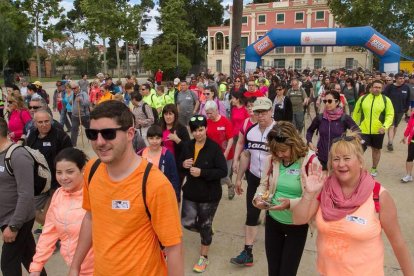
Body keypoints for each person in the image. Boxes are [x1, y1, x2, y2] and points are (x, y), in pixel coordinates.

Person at [68, 100, 183, 276]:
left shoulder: (155, 184)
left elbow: (173, 248)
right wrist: (76, 265)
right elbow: (90, 218)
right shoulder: (92, 169)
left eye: (108, 134)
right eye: (92, 134)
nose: (99, 142)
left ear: (130, 133)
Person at [292, 132, 414, 276]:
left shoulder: (378, 196)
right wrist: (308, 193)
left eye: (347, 158)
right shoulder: (324, 189)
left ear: (360, 161)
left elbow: (398, 243)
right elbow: (298, 219)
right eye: (336, 159)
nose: (341, 164)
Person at [252, 121, 320, 276]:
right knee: (273, 270)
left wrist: (291, 204)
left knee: (287, 272)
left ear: (293, 144)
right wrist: (258, 199)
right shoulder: (272, 159)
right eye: (276, 151)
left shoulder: (310, 161)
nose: (280, 155)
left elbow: (316, 196)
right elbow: (264, 184)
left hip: (296, 224)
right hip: (273, 221)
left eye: (283, 150)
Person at [29, 148, 94, 276]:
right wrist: (36, 266)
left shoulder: (95, 194)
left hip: (99, 269)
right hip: (73, 269)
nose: (63, 177)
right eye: (59, 172)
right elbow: (49, 232)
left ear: (82, 170)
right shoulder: (58, 195)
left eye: (70, 172)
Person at [180, 115, 227, 273]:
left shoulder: (214, 148)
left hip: (209, 195)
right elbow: (181, 167)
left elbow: (222, 171)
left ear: (206, 129)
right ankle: (206, 226)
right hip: (191, 192)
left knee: (205, 226)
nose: (198, 133)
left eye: (201, 130)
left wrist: (202, 172)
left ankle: (203, 257)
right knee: (186, 222)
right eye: (195, 131)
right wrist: (183, 164)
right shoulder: (187, 145)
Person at [231, 97, 275, 266]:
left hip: (274, 181)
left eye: (264, 112)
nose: (261, 115)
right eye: (257, 112)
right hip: (255, 178)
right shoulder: (251, 131)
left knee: (273, 215)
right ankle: (247, 252)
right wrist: (239, 178)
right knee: (252, 214)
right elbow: (246, 154)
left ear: (271, 111)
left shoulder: (279, 131)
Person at [0, 118, 46, 276]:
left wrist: (13, 226)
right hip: (6, 219)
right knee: (31, 259)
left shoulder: (18, 155)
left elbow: (26, 194)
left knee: (8, 263)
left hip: (17, 220)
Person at [26, 109, 73, 224]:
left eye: (46, 121)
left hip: (56, 184)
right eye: (40, 122)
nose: (44, 124)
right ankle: (50, 228)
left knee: (47, 216)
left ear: (51, 121)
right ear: (35, 123)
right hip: (39, 183)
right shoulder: (32, 136)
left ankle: (53, 232)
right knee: (29, 209)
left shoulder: (61, 136)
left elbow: (71, 158)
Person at [307, 91, 360, 170]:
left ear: (337, 102)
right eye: (325, 101)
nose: (327, 104)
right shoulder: (320, 118)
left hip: (338, 160)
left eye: (330, 101)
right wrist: (309, 142)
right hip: (322, 158)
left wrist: (348, 142)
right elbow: (310, 131)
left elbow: (357, 131)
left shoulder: (344, 118)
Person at [352, 80, 394, 177]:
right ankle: (358, 168)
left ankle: (374, 168)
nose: (377, 89)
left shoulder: (386, 100)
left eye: (379, 88)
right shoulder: (363, 98)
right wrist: (354, 127)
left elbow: (390, 115)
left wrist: (385, 127)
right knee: (358, 150)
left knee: (376, 150)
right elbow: (356, 113)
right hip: (363, 130)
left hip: (378, 131)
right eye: (375, 87)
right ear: (371, 87)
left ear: (382, 89)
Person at [138, 125, 180, 203]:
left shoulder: (167, 155)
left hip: (162, 194)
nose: (154, 141)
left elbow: (174, 177)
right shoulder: (141, 153)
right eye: (151, 138)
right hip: (144, 194)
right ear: (147, 139)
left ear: (162, 139)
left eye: (157, 138)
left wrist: (175, 197)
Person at [205, 100, 236, 200]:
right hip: (212, 154)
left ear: (216, 110)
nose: (209, 115)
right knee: (213, 174)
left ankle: (230, 186)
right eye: (207, 113)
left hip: (226, 153)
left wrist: (226, 153)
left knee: (224, 174)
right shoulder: (207, 122)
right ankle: (214, 192)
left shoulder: (225, 121)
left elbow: (231, 139)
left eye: (211, 113)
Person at [160, 104, 190, 186]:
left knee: (175, 191)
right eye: (166, 114)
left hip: (177, 166)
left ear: (175, 115)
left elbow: (188, 148)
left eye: (170, 114)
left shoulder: (181, 129)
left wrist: (177, 140)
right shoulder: (160, 128)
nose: (168, 117)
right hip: (162, 165)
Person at [383, 73, 411, 151]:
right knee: (391, 126)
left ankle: (390, 140)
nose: (402, 80)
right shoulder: (390, 87)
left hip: (400, 110)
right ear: (395, 79)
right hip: (390, 110)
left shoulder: (406, 87)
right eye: (400, 78)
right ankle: (391, 142)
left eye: (403, 78)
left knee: (395, 126)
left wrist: (406, 110)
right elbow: (384, 97)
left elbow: (408, 99)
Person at [70, 82, 90, 147]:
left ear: (78, 87)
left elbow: (87, 103)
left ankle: (95, 138)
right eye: (72, 88)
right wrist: (70, 101)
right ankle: (73, 145)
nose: (73, 90)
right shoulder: (73, 93)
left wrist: (81, 100)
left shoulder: (83, 94)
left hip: (83, 116)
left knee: (90, 128)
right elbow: (71, 102)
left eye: (74, 88)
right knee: (73, 130)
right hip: (74, 116)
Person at [400, 111, 414, 182]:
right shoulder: (413, 115)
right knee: (410, 157)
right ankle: (408, 175)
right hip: (412, 141)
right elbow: (409, 126)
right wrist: (405, 137)